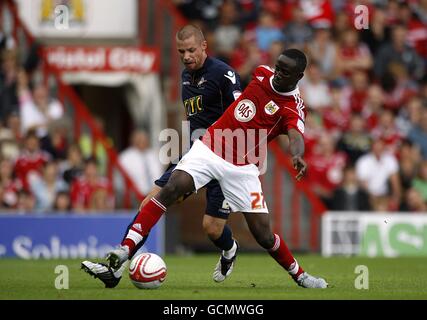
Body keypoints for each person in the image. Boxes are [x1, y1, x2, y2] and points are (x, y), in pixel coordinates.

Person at [98, 49, 328, 289]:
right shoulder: (261, 73)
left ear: (299, 76)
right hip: (210, 147)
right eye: (278, 67)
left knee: (263, 234)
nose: (278, 74)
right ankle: (125, 250)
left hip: (242, 168)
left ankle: (300, 276)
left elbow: (295, 134)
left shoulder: (293, 106)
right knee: (170, 189)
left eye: (285, 71)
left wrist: (298, 154)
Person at [82, 25, 243, 287]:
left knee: (212, 228)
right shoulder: (185, 76)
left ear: (204, 46)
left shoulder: (224, 74)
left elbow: (242, 113)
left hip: (224, 158)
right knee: (151, 201)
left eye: (191, 50)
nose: (186, 56)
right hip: (194, 153)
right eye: (181, 52)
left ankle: (230, 249)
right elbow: (193, 118)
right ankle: (116, 268)